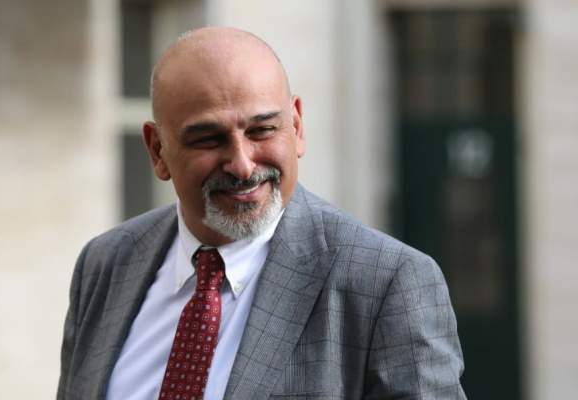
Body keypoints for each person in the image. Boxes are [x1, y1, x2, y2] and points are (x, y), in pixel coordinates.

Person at [57, 27, 465, 400]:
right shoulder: (106, 264)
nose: (242, 164)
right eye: (209, 139)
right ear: (157, 150)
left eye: (262, 130)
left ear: (297, 126)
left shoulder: (385, 283)